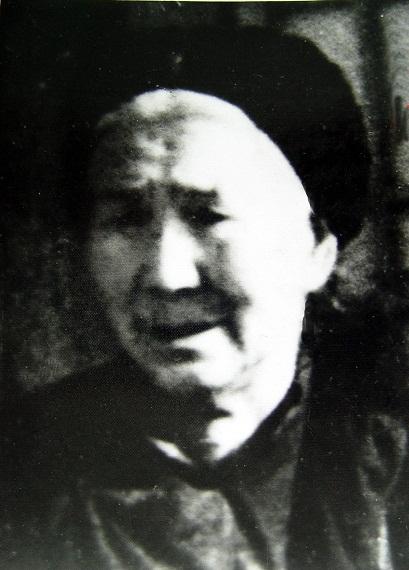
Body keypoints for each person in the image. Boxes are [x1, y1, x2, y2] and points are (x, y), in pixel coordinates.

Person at [1, 29, 404, 569]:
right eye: (126, 218)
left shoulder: (391, 456)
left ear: (316, 248)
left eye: (208, 216)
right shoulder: (21, 471)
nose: (166, 276)